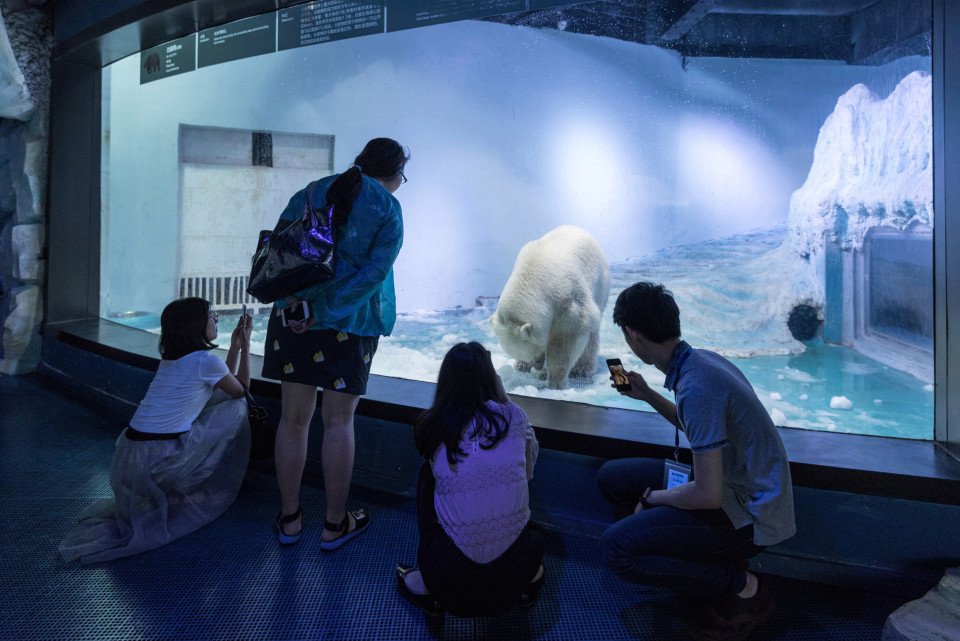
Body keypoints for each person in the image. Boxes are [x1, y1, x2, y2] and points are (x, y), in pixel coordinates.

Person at [597, 282, 795, 641]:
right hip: (737, 487)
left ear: (632, 334)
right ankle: (696, 561)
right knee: (612, 477)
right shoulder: (698, 362)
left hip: (750, 513)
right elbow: (702, 429)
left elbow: (708, 496)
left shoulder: (696, 386)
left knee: (616, 548)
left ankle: (743, 586)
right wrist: (647, 395)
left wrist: (651, 498)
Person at [262, 137, 409, 549]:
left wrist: (302, 308)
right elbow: (374, 275)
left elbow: (280, 254)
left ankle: (290, 519)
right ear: (396, 172)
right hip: (351, 326)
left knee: (293, 420)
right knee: (339, 423)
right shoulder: (389, 209)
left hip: (293, 322)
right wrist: (327, 312)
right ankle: (334, 524)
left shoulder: (311, 191)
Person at [59, 297, 252, 563]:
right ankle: (198, 480)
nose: (216, 319)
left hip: (127, 460)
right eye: (212, 315)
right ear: (195, 325)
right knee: (238, 407)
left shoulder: (172, 359)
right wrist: (245, 345)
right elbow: (240, 389)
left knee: (218, 402)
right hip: (157, 462)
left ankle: (172, 489)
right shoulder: (205, 361)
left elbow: (222, 381)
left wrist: (233, 346)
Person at [396, 342, 545, 617]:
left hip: (447, 582)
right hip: (514, 578)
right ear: (493, 379)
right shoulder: (514, 416)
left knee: (427, 475)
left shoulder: (434, 424)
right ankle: (528, 580)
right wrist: (505, 398)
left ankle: (425, 583)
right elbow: (528, 473)